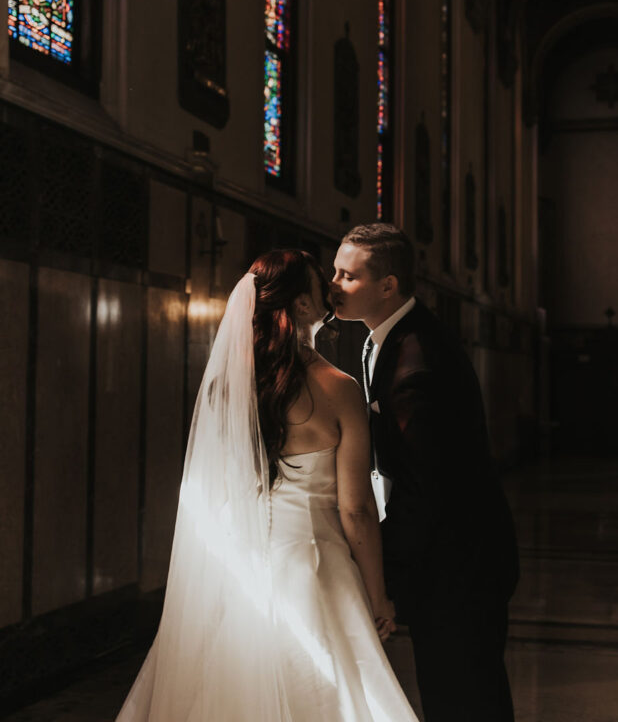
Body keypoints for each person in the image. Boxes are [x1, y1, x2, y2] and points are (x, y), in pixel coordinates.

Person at [116, 249, 418, 722]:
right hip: (314, 566)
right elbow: (356, 508)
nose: (332, 291)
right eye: (323, 285)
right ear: (301, 305)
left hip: (243, 567)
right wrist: (379, 596)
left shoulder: (232, 386)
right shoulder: (337, 387)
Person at [331, 223, 520, 722]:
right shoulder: (393, 338)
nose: (333, 284)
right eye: (334, 271)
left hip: (458, 567)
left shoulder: (415, 367)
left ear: (388, 285)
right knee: (461, 695)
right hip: (455, 557)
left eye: (347, 276)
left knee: (463, 700)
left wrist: (381, 577)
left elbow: (425, 490)